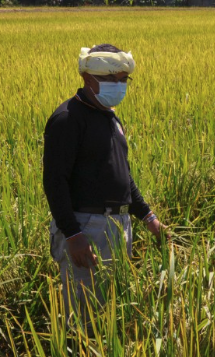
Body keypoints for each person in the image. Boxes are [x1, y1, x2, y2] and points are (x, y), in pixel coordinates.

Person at [43, 44, 166, 327]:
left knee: (111, 311)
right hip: (87, 227)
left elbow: (121, 174)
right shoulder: (68, 119)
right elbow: (54, 181)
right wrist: (73, 234)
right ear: (89, 79)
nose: (120, 86)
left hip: (117, 225)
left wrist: (148, 217)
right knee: (85, 317)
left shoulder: (108, 115)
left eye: (124, 80)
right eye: (114, 80)